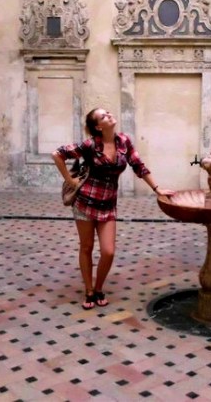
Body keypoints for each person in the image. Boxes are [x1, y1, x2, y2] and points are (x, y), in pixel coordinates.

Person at [52, 108, 175, 310]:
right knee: (86, 247)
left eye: (108, 113)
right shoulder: (90, 145)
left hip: (108, 204)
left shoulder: (123, 142)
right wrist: (70, 180)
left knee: (108, 251)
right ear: (98, 127)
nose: (109, 115)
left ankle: (99, 287)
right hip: (85, 203)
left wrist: (157, 189)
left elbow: (138, 165)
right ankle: (89, 290)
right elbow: (57, 154)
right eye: (103, 116)